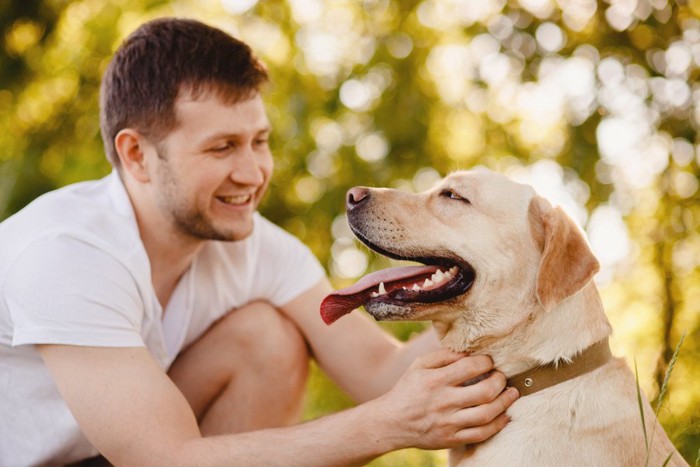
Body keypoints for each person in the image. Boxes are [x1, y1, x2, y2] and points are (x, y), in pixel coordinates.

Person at [0, 17, 518, 466]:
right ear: (136, 155)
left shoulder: (253, 247)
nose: (252, 173)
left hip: (114, 455)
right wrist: (388, 425)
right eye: (222, 147)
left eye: (259, 141)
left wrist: (504, 280)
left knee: (266, 339)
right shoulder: (65, 251)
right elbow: (161, 457)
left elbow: (380, 372)